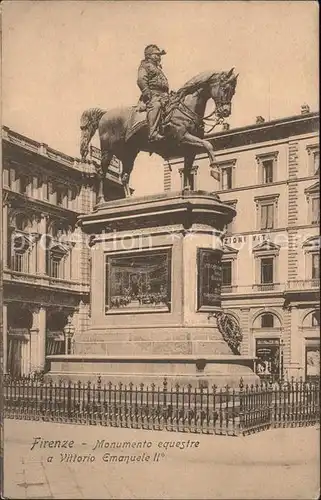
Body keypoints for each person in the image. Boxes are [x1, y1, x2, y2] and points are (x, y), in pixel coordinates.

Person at [137, 44, 169, 142]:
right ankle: (153, 133)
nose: (159, 57)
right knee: (156, 105)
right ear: (149, 55)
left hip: (164, 95)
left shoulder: (157, 68)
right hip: (153, 95)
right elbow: (141, 80)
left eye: (159, 55)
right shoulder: (145, 66)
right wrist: (148, 94)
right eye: (157, 55)